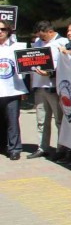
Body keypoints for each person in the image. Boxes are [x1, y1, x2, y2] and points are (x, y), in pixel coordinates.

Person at [26, 21, 69, 160]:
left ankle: (61, 149)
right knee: (42, 120)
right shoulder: (37, 43)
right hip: (39, 87)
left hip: (55, 87)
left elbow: (66, 65)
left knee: (59, 120)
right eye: (39, 36)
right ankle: (42, 147)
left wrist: (50, 73)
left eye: (43, 36)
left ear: (51, 32)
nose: (41, 38)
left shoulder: (63, 42)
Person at [0, 20, 27, 161]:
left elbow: (25, 69)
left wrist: (24, 90)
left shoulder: (17, 47)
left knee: (12, 121)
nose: (0, 32)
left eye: (3, 29)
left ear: (8, 31)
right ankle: (2, 145)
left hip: (13, 91)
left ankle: (15, 149)